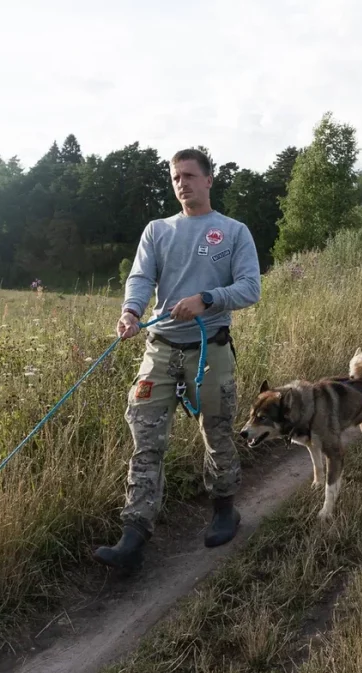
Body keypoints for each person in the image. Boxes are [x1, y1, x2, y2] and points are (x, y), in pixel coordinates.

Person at [93, 148, 261, 574]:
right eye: (175, 178)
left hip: (211, 348)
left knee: (217, 432)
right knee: (146, 440)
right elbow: (141, 277)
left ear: (208, 180)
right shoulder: (157, 230)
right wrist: (131, 311)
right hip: (161, 348)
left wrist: (207, 299)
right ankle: (134, 533)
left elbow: (249, 288)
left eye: (189, 175)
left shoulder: (233, 231)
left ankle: (225, 509)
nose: (182, 183)